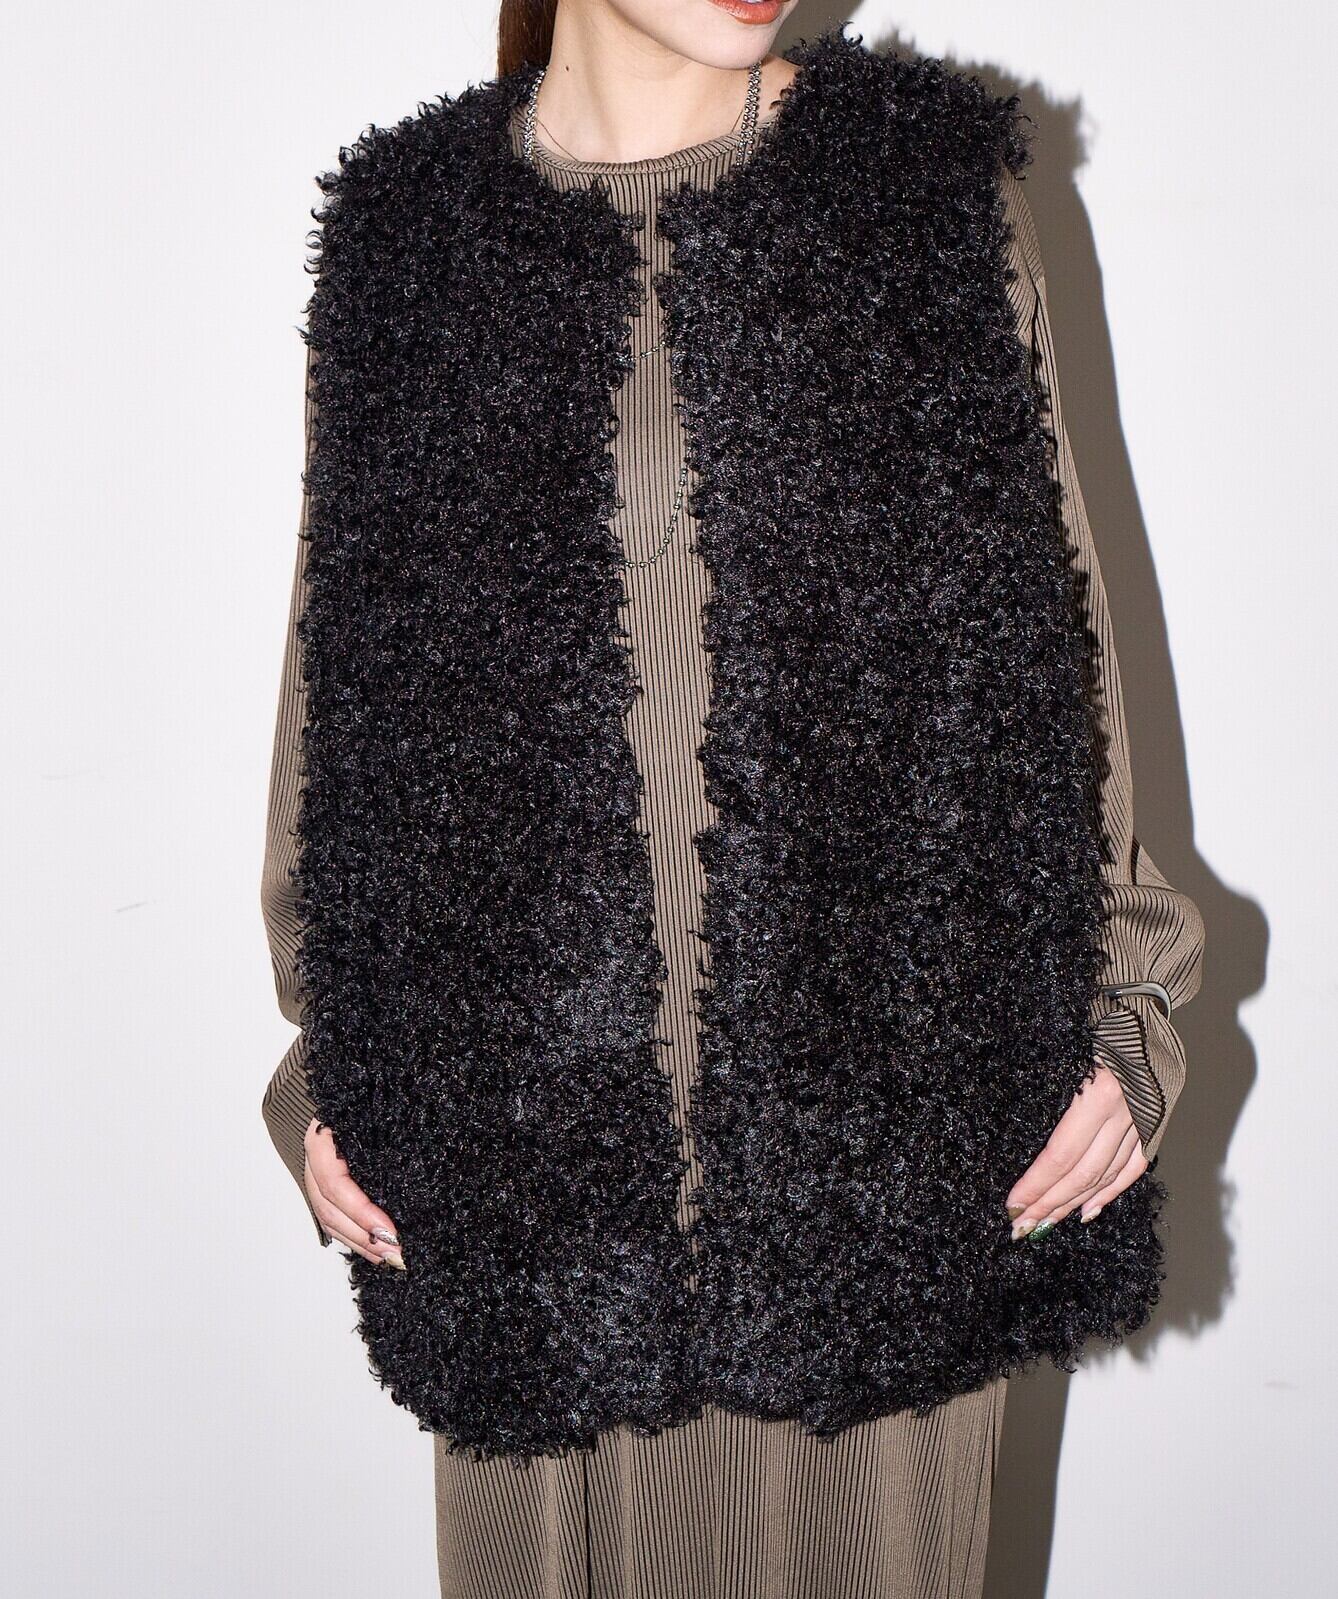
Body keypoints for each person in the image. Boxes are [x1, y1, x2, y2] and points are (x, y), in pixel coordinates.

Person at [260, 4, 1206, 1595]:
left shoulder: (911, 192)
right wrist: (332, 1062)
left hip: (884, 1140)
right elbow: (344, 681)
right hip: (519, 1169)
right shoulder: (411, 240)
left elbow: (1048, 649)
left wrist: (1127, 1008)